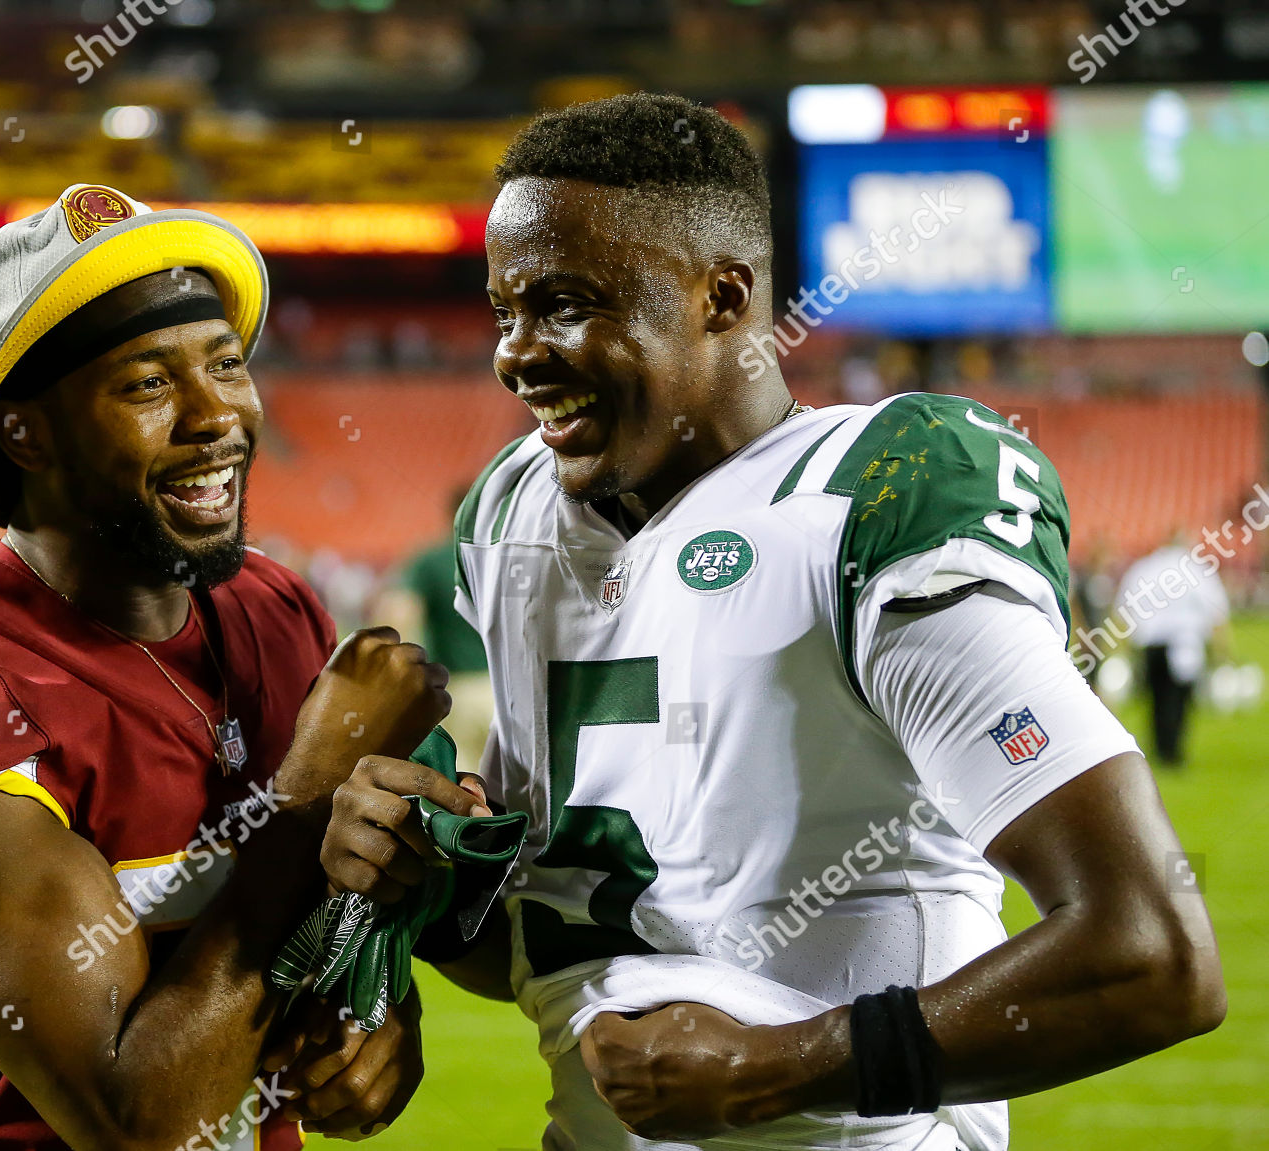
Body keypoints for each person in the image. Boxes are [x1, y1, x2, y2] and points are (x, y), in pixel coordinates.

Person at [318, 95, 1225, 1150]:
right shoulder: (518, 510)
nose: (517, 354)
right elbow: (567, 934)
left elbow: (1152, 951)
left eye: (566, 304)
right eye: (504, 309)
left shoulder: (873, 493)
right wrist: (428, 885)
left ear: (725, 296)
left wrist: (787, 1065)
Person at [0, 184, 474, 1150]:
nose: (220, 417)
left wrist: (374, 1024)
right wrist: (309, 793)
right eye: (149, 384)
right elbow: (141, 1125)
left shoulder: (274, 607)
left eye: (227, 365)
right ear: (24, 431)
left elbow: (319, 933)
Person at [373, 488, 494, 770]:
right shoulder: (509, 557)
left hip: (458, 687)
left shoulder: (430, 560)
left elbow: (400, 613)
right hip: (506, 691)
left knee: (464, 779)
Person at [1116, 534, 1231, 765]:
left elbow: (1123, 607)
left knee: (1156, 698)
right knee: (1178, 700)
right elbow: (1217, 612)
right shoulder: (1197, 571)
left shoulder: (1145, 568)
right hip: (1184, 645)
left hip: (1150, 643)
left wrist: (1126, 648)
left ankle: (1158, 748)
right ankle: (1173, 751)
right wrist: (1222, 651)